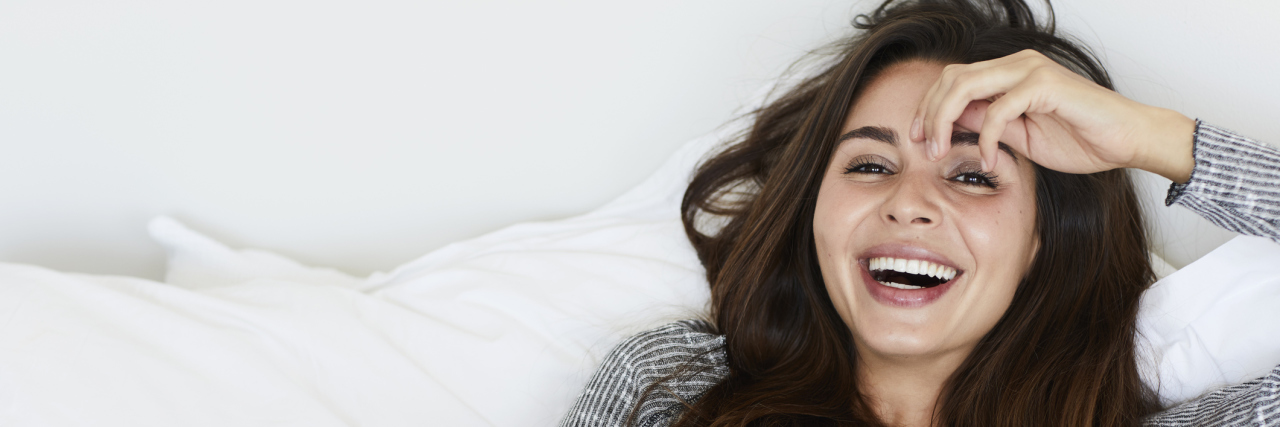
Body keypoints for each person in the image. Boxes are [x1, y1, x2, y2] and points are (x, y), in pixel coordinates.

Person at [560, 0, 1280, 425]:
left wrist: (1156, 139)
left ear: (1041, 241)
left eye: (973, 175)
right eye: (870, 165)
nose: (908, 203)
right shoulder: (675, 388)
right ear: (813, 209)